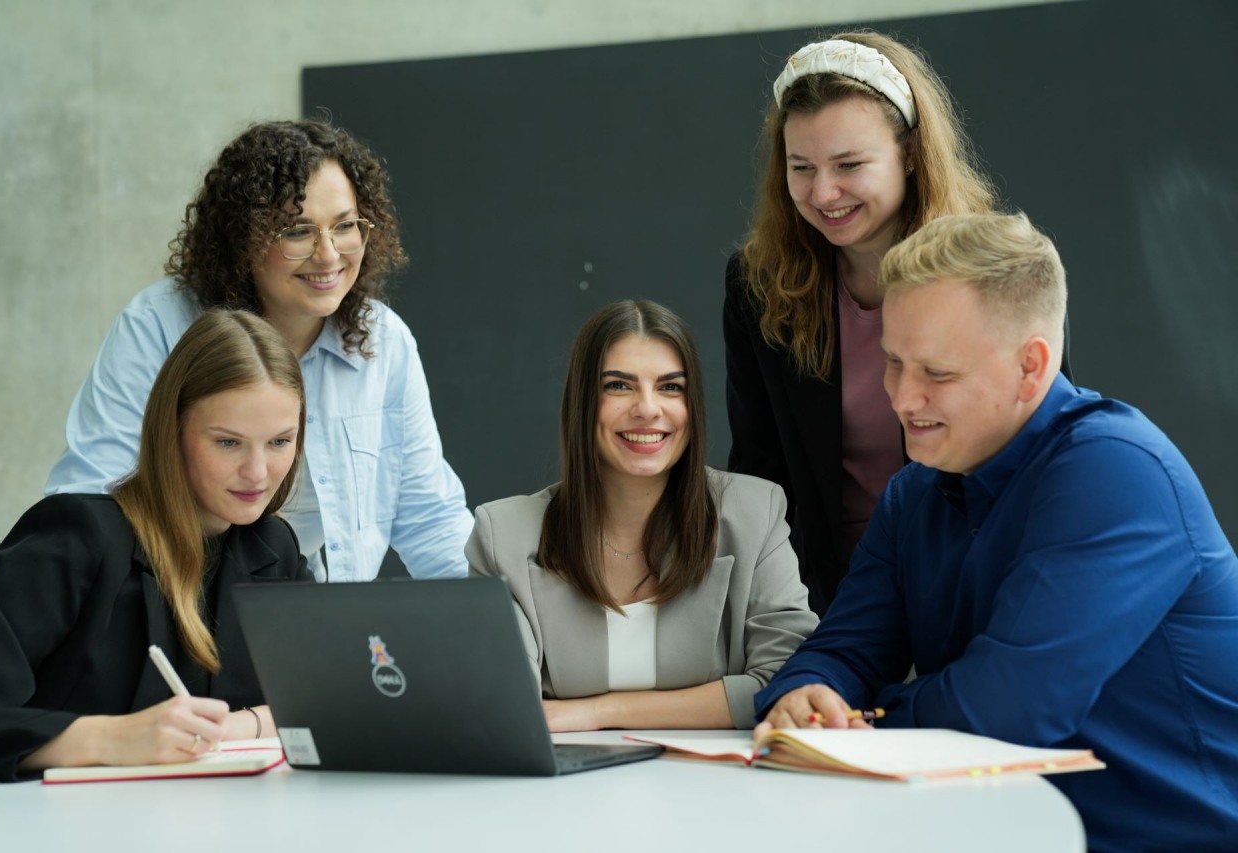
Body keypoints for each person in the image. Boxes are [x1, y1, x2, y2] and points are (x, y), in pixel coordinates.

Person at [754, 213, 1238, 852]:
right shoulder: (914, 493)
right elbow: (842, 651)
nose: (900, 398)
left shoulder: (1117, 469)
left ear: (1032, 368)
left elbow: (1007, 713)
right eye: (893, 362)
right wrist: (803, 696)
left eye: (938, 373)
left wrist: (856, 722)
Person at [46, 119, 471, 583]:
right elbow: (92, 500)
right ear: (244, 238)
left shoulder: (384, 340)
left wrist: (502, 630)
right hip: (188, 619)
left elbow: (431, 519)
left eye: (345, 226)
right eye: (297, 231)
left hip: (331, 627)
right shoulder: (157, 327)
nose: (329, 255)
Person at [0, 311, 315, 789]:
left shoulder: (274, 549)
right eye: (229, 442)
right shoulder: (75, 537)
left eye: (279, 442)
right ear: (173, 432)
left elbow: (325, 704)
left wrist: (239, 725)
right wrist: (110, 738)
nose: (257, 472)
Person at [724, 31, 1000, 614]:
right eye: (801, 167)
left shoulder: (995, 271)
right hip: (829, 596)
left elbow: (1043, 452)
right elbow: (760, 470)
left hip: (977, 582)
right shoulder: (757, 284)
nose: (823, 192)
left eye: (850, 164)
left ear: (908, 152)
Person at [468, 300, 819, 731]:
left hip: (720, 789)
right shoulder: (503, 535)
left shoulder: (755, 513)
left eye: (671, 387)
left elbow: (787, 685)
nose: (648, 408)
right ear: (582, 401)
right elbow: (507, 706)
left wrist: (600, 712)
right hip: (563, 791)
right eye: (619, 386)